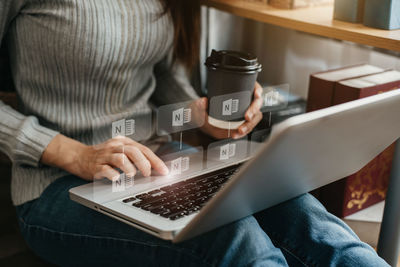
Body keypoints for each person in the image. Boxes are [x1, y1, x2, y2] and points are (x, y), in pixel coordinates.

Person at [0, 0, 389, 266]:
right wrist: (74, 154)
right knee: (238, 241)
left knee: (309, 219)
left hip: (160, 162)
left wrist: (206, 115)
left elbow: (164, 75)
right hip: (54, 186)